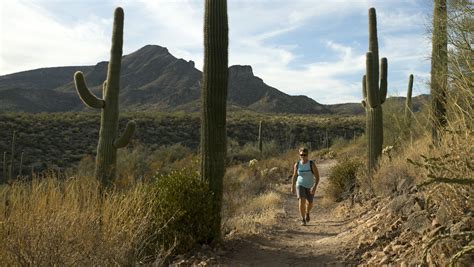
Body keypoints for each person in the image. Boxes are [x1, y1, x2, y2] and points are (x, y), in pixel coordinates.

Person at [291, 147, 320, 226]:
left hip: (310, 185)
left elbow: (317, 177)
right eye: (301, 155)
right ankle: (303, 219)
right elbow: (294, 175)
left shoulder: (311, 164)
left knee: (310, 203)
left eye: (304, 155)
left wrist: (314, 187)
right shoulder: (297, 164)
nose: (303, 156)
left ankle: (307, 212)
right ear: (299, 155)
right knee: (301, 201)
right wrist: (292, 186)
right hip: (300, 184)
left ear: (307, 155)